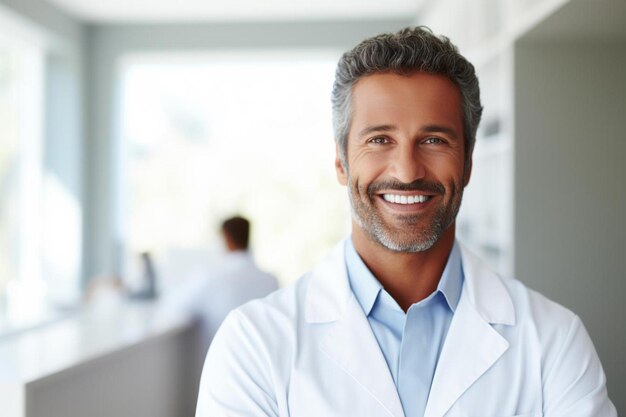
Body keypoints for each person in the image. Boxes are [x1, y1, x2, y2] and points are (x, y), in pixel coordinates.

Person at [195, 27, 616, 417]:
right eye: (379, 139)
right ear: (341, 162)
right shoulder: (253, 345)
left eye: (434, 140)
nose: (407, 169)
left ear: (468, 162)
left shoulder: (554, 341)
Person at [160, 215, 278, 357]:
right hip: (264, 366)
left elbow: (173, 306)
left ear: (225, 237)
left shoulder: (211, 278)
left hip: (222, 364)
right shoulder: (271, 281)